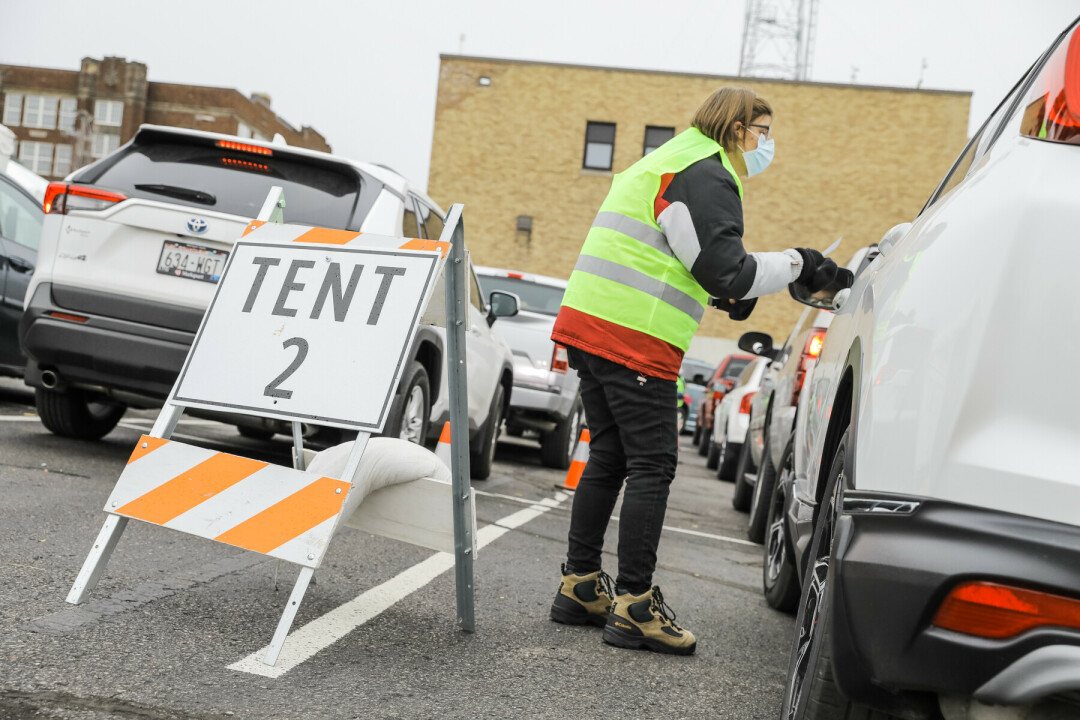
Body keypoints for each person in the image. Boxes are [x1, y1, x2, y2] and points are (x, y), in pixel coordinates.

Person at [547, 87, 847, 655]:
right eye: (763, 131)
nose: (766, 144)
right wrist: (799, 263)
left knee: (610, 455)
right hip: (634, 337)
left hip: (591, 323)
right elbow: (725, 270)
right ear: (736, 130)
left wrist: (729, 289)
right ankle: (635, 605)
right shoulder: (707, 173)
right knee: (653, 464)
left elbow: (685, 260)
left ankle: (581, 584)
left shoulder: (666, 158)